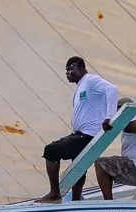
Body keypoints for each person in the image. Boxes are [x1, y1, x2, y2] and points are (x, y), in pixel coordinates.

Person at [36, 56, 118, 202]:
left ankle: (55, 193)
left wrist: (109, 117)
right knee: (78, 167)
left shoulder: (90, 80)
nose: (68, 73)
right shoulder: (80, 87)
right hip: (80, 134)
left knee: (51, 150)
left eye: (71, 68)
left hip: (88, 134)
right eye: (66, 70)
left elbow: (111, 89)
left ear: (81, 68)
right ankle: (75, 200)